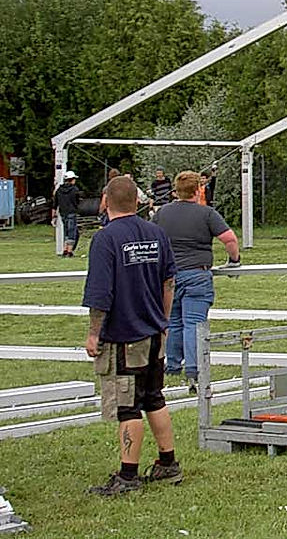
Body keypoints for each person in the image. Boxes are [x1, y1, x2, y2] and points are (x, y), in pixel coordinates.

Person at [81, 175, 181, 494]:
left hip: (125, 336)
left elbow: (100, 293)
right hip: (154, 333)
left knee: (128, 406)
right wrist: (163, 320)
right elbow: (169, 282)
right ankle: (168, 463)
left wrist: (94, 334)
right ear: (137, 202)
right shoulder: (156, 233)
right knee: (154, 398)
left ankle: (127, 476)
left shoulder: (105, 239)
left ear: (106, 201)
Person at [153, 170, 241, 391]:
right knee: (193, 322)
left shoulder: (162, 213)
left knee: (172, 321)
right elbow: (229, 238)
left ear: (176, 190)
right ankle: (193, 369)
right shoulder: (207, 213)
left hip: (168, 276)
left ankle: (172, 366)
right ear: (197, 190)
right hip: (196, 274)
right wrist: (234, 260)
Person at [51, 170, 82, 257]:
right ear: (72, 179)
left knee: (66, 231)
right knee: (72, 231)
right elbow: (77, 201)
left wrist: (53, 216)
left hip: (63, 213)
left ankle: (65, 249)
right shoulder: (75, 189)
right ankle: (69, 251)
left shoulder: (59, 190)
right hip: (72, 212)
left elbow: (55, 204)